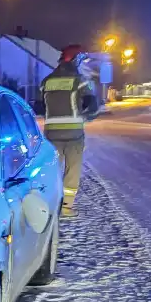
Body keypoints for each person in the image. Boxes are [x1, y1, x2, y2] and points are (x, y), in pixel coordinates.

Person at [39, 45, 99, 218]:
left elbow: (40, 106)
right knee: (72, 170)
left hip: (51, 134)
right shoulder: (79, 81)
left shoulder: (46, 81)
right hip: (74, 134)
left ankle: (50, 205)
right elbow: (92, 106)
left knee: (52, 170)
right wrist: (86, 117)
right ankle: (66, 207)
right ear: (75, 60)